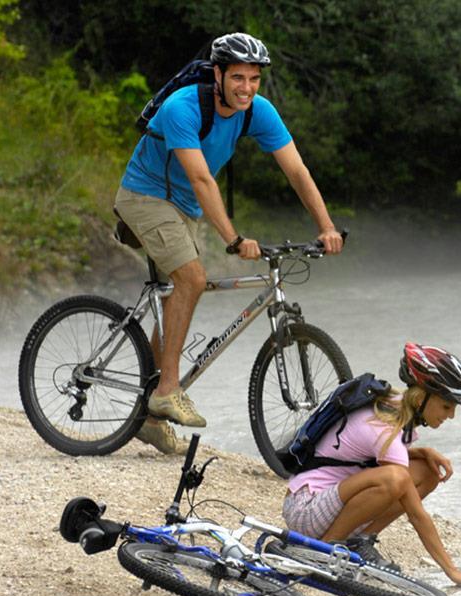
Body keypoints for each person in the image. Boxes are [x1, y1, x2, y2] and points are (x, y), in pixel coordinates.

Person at [114, 33, 343, 454]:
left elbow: (296, 170)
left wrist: (326, 226)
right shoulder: (182, 107)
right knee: (192, 279)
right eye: (238, 77)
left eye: (254, 78)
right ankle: (166, 390)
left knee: (176, 293)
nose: (247, 88)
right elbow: (202, 180)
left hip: (182, 207)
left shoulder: (257, 110)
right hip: (145, 197)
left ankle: (147, 416)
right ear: (217, 74)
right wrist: (234, 239)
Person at [282, 342, 461, 587]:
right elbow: (415, 512)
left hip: (329, 500)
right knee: (396, 479)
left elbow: (367, 455)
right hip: (306, 508)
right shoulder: (387, 427)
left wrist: (423, 452)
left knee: (428, 472)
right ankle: (326, 550)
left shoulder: (394, 407)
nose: (451, 415)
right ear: (422, 396)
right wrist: (453, 571)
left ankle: (359, 541)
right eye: (447, 406)